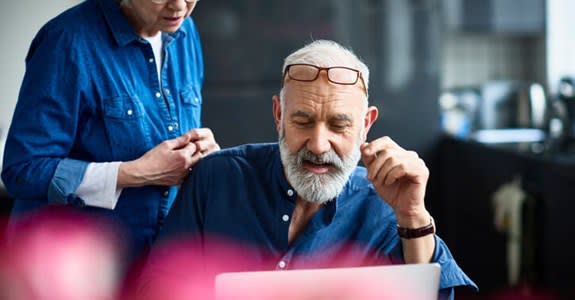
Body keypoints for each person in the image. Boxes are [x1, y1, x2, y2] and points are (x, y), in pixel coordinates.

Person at [137, 39, 478, 299]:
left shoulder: (386, 202)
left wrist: (414, 215)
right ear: (278, 116)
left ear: (365, 125)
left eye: (338, 125)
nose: (318, 144)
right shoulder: (215, 180)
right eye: (303, 121)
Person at [1, 0, 219, 261]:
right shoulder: (66, 41)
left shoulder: (185, 31)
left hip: (155, 263)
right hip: (76, 269)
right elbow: (23, 170)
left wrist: (201, 154)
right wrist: (134, 174)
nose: (180, 5)